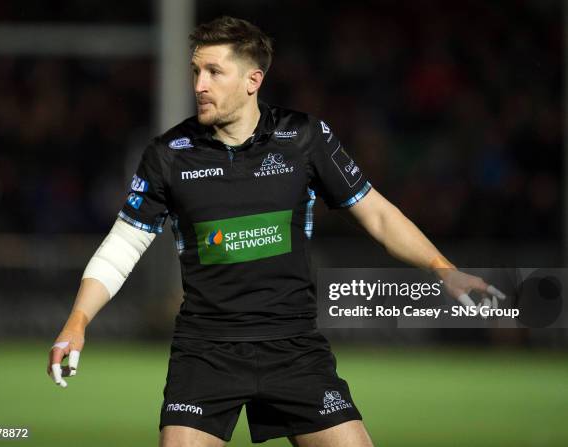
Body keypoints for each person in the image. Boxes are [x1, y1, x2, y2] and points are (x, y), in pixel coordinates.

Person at [46, 16, 505, 447]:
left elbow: (379, 216)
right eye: (195, 71)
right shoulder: (169, 154)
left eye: (213, 72)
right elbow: (124, 244)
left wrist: (445, 270)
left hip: (295, 349)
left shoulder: (304, 138)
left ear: (253, 80)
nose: (199, 85)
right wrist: (78, 319)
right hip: (207, 352)